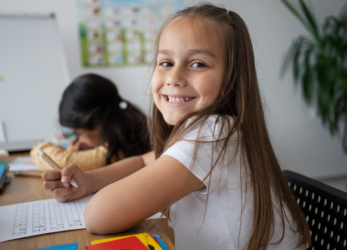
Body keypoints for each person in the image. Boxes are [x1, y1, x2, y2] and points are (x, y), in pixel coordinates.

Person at [42, 4, 311, 249]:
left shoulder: (214, 135)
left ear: (232, 76)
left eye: (197, 64)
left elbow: (98, 216)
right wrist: (89, 181)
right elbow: (144, 161)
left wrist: (95, 190)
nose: (174, 77)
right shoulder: (213, 129)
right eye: (166, 63)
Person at [31, 73, 150, 171]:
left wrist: (71, 152)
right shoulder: (132, 134)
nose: (80, 142)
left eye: (79, 134)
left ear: (96, 121)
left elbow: (63, 162)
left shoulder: (113, 153)